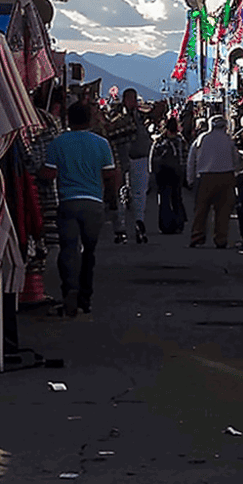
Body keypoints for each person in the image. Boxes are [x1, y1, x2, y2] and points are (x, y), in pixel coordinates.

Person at [38, 102, 119, 317]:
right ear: (90, 120)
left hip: (68, 202)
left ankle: (70, 291)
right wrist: (112, 201)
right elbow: (110, 176)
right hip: (93, 203)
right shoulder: (101, 144)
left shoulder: (58, 143)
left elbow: (49, 174)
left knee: (68, 249)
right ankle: (85, 297)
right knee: (89, 253)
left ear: (68, 119)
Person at [186, 114, 243, 249]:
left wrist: (190, 179)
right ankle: (221, 239)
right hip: (226, 177)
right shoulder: (228, 140)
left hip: (205, 177)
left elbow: (191, 160)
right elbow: (236, 159)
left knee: (201, 209)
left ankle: (197, 236)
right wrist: (236, 172)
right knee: (223, 211)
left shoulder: (201, 139)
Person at [112, 88, 153, 244]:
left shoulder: (139, 116)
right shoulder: (117, 116)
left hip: (139, 158)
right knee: (121, 195)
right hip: (122, 159)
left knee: (139, 193)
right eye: (131, 99)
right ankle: (120, 228)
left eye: (134, 99)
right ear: (124, 99)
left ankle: (139, 222)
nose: (133, 102)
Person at [150, 116, 188, 234]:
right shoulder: (181, 141)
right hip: (177, 172)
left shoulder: (160, 141)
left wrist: (153, 172)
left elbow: (153, 157)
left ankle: (166, 225)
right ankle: (178, 223)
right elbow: (185, 157)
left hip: (163, 172)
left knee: (164, 199)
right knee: (177, 197)